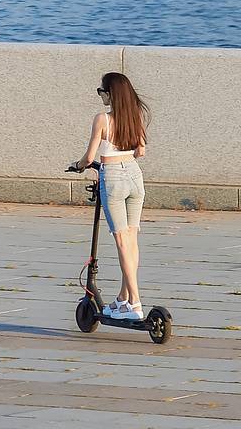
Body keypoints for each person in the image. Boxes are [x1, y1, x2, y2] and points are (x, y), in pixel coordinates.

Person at [71, 72, 150, 321]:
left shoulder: (102, 120)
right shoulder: (135, 116)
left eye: (101, 91)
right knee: (131, 239)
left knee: (121, 241)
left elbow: (89, 154)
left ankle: (135, 301)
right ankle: (123, 299)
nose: (101, 96)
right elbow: (141, 151)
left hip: (113, 177)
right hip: (135, 177)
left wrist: (79, 165)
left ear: (110, 93)